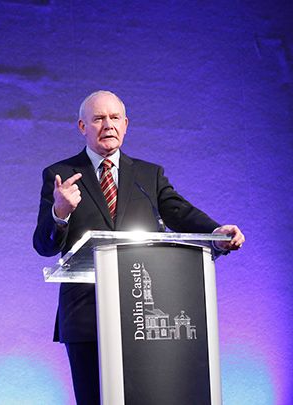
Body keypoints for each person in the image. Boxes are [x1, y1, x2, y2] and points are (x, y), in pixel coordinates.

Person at [32, 90, 244, 404]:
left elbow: (180, 212)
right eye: (99, 118)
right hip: (86, 315)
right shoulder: (61, 175)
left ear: (126, 124)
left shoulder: (149, 175)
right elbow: (44, 246)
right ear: (82, 126)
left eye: (115, 118)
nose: (108, 125)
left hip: (144, 317)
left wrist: (215, 231)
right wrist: (60, 211)